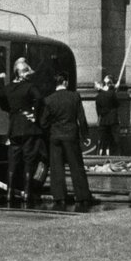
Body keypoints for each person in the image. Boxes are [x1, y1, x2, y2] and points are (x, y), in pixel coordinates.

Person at [41, 71, 94, 212]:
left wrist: (52, 130)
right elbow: (81, 118)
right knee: (76, 166)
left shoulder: (49, 100)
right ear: (65, 82)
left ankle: (59, 196)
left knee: (56, 167)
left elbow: (44, 122)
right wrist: (85, 135)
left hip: (55, 136)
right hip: (71, 135)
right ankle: (82, 196)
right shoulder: (74, 97)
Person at [0, 57, 44, 208]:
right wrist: (34, 114)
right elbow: (39, 98)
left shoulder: (9, 88)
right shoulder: (29, 87)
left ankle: (9, 193)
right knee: (29, 161)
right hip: (29, 128)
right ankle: (27, 194)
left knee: (13, 163)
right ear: (22, 73)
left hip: (14, 128)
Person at [94, 74, 120, 157]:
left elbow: (98, 111)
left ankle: (102, 154)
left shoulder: (98, 96)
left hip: (103, 120)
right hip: (113, 120)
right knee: (115, 138)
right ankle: (115, 155)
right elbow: (117, 104)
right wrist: (114, 90)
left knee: (103, 139)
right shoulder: (112, 93)